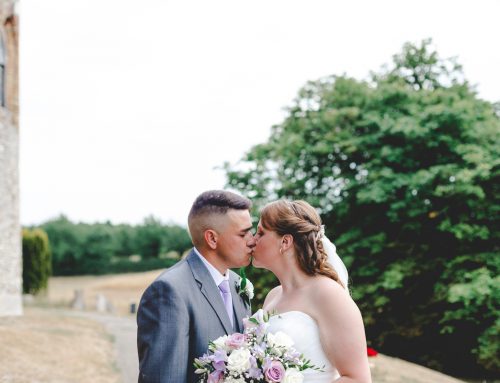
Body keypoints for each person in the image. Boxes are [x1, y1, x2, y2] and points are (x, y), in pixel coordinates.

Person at [137, 190, 255, 383]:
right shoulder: (168, 291)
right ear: (212, 239)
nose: (252, 241)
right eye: (243, 234)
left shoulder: (237, 284)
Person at [253, 199, 372, 383]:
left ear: (285, 242)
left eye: (260, 232)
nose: (253, 239)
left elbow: (358, 379)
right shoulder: (273, 296)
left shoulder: (328, 294)